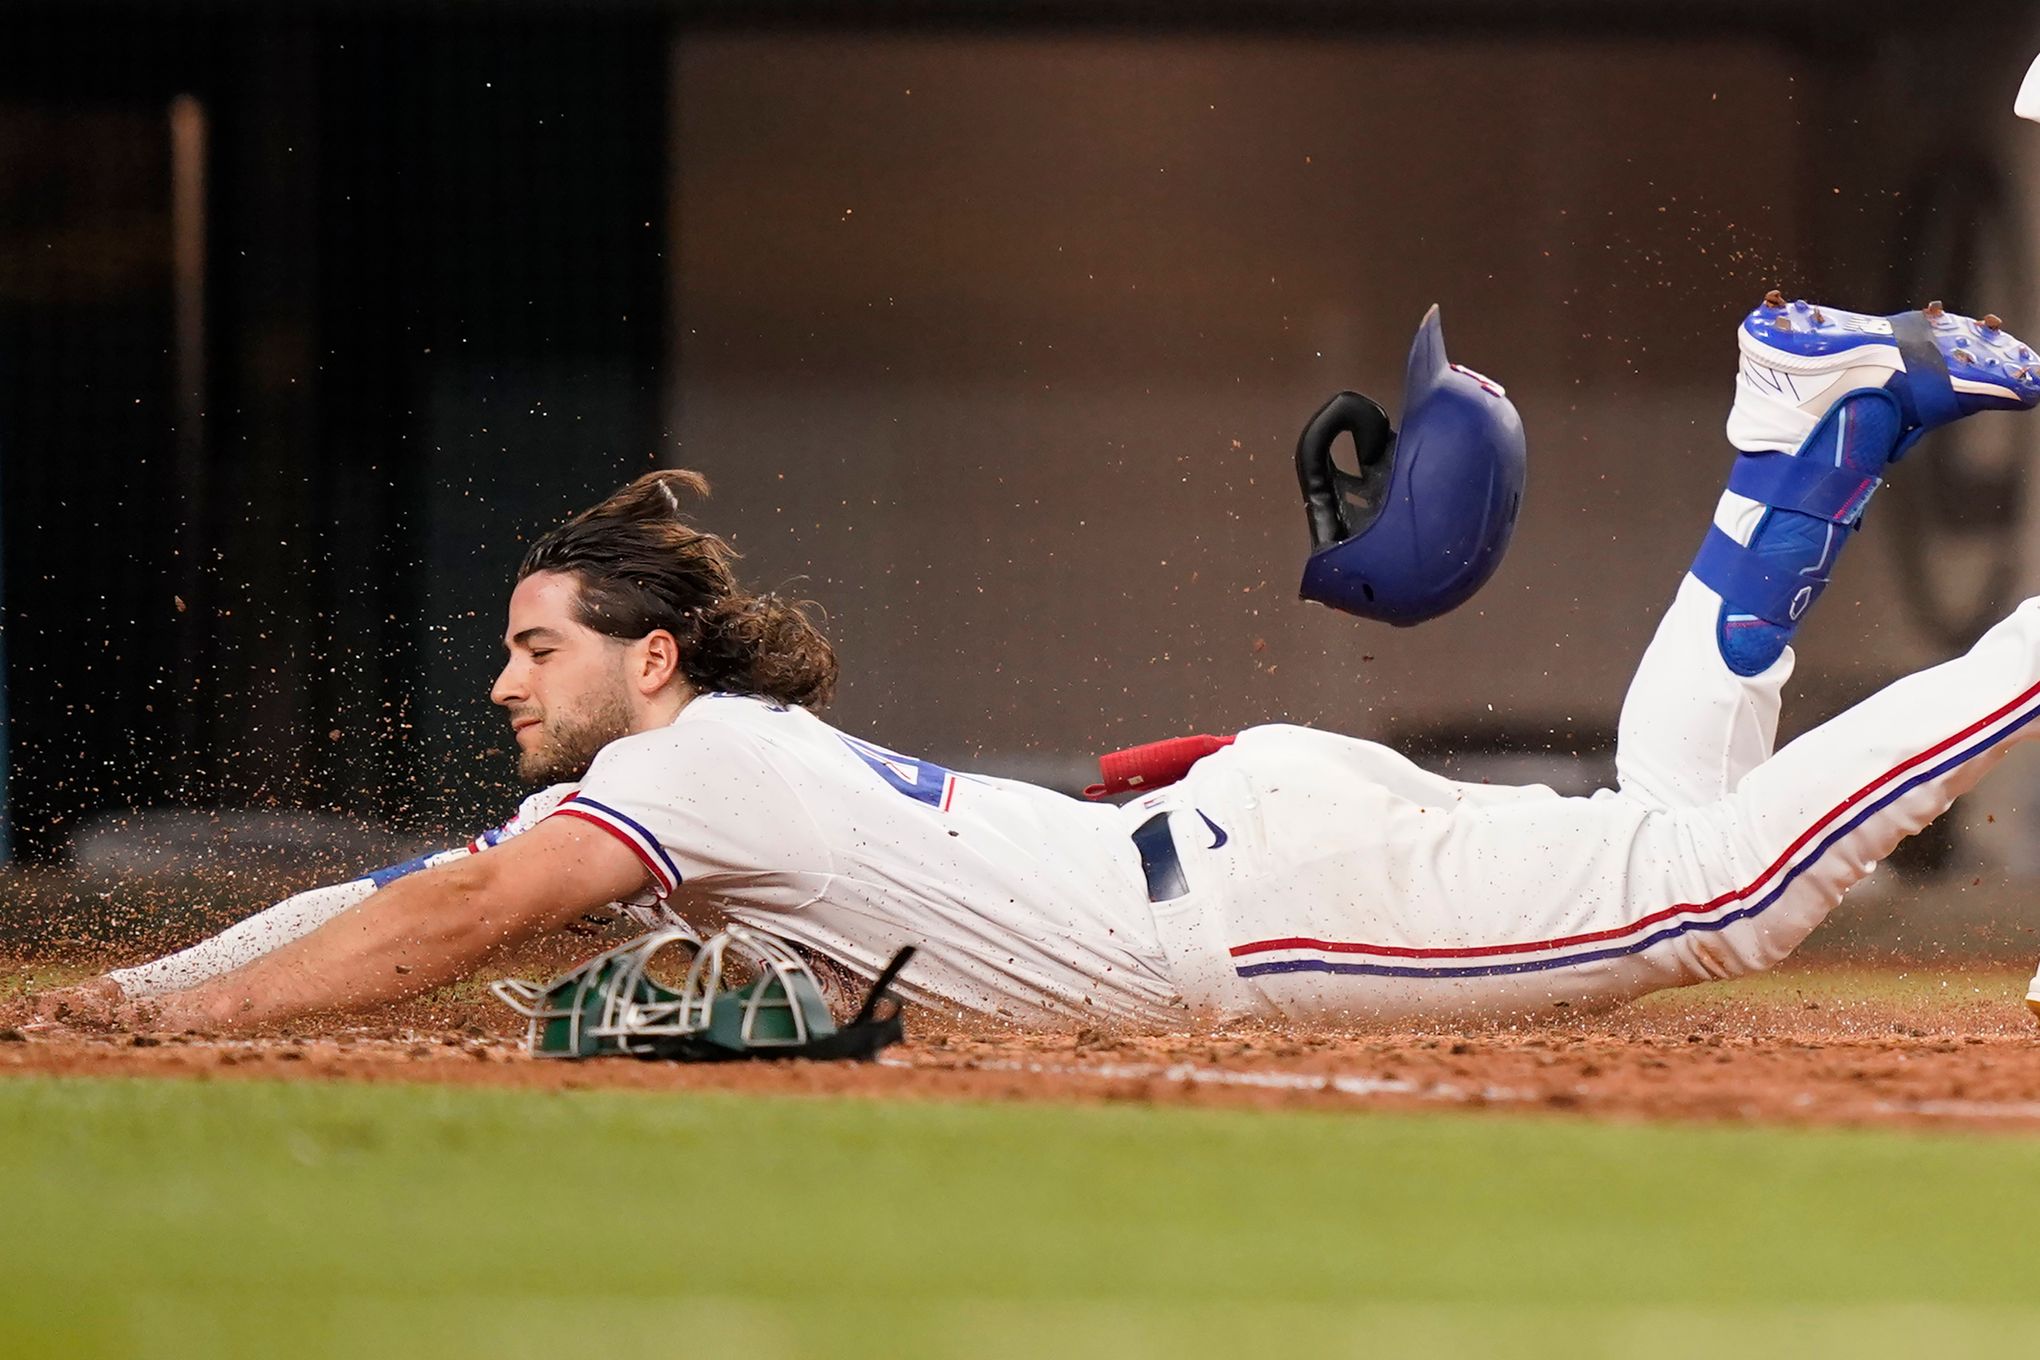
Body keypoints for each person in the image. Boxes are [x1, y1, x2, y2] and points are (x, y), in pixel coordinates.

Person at [28, 293, 2040, 1035]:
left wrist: (151, 1021)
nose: (500, 680)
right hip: (1236, 837)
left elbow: (452, 910)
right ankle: (1797, 449)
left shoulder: (671, 778)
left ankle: (1854, 492)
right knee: (1670, 836)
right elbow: (404, 890)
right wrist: (152, 980)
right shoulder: (707, 768)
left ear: (655, 667)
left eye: (535, 642)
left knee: (1728, 889)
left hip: (1256, 906)